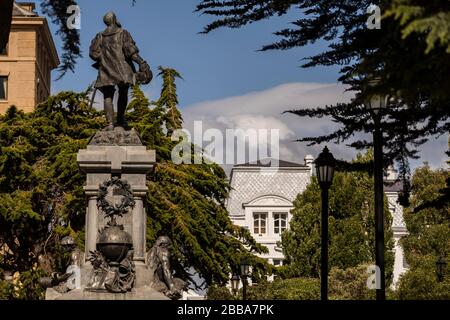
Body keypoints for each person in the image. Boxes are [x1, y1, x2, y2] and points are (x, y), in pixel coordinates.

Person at [89, 12, 151, 130]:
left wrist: (102, 58)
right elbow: (131, 52)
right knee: (123, 92)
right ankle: (120, 120)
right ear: (115, 20)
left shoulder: (100, 36)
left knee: (108, 96)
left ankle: (110, 124)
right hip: (123, 69)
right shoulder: (123, 33)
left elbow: (93, 53)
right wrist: (141, 62)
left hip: (106, 69)